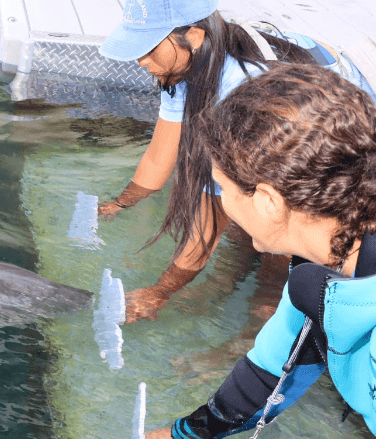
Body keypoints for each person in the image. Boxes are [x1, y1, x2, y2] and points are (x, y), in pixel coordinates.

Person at [145, 63, 376, 439]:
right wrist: (192, 433)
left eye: (224, 188)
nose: (223, 203)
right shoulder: (320, 270)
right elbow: (274, 369)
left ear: (268, 200)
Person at [96, 0, 376, 323]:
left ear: (195, 36)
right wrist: (119, 204)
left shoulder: (239, 91)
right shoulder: (183, 66)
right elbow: (159, 159)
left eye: (149, 47)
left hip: (344, 168)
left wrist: (159, 292)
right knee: (245, 225)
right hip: (302, 149)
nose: (140, 60)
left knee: (277, 266)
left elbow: (205, 229)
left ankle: (259, 331)